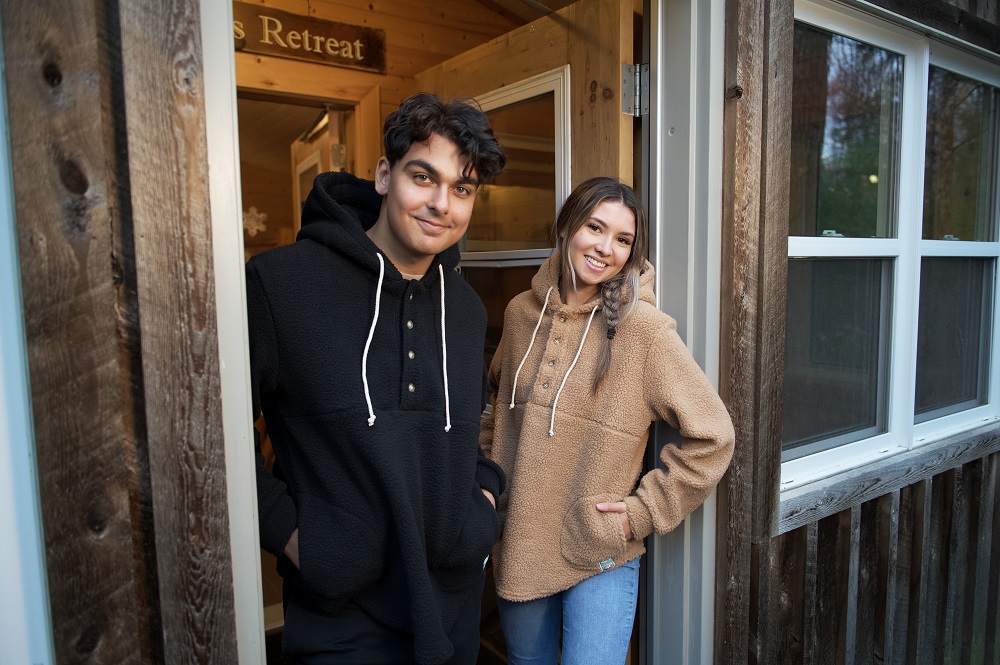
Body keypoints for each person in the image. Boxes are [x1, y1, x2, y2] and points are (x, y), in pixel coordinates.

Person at [246, 93, 507, 665]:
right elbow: (212, 433)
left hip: (451, 604)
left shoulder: (463, 309)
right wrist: (298, 539)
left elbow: (469, 429)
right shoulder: (280, 285)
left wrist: (482, 504)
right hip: (339, 614)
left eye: (461, 189)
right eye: (424, 177)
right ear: (385, 175)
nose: (442, 204)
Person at [480, 177, 735, 664]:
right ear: (566, 226)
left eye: (623, 239)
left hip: (597, 550)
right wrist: (489, 485)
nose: (605, 248)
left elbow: (714, 436)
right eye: (595, 227)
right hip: (518, 540)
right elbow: (496, 409)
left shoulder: (645, 331)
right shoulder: (518, 314)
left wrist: (643, 513)